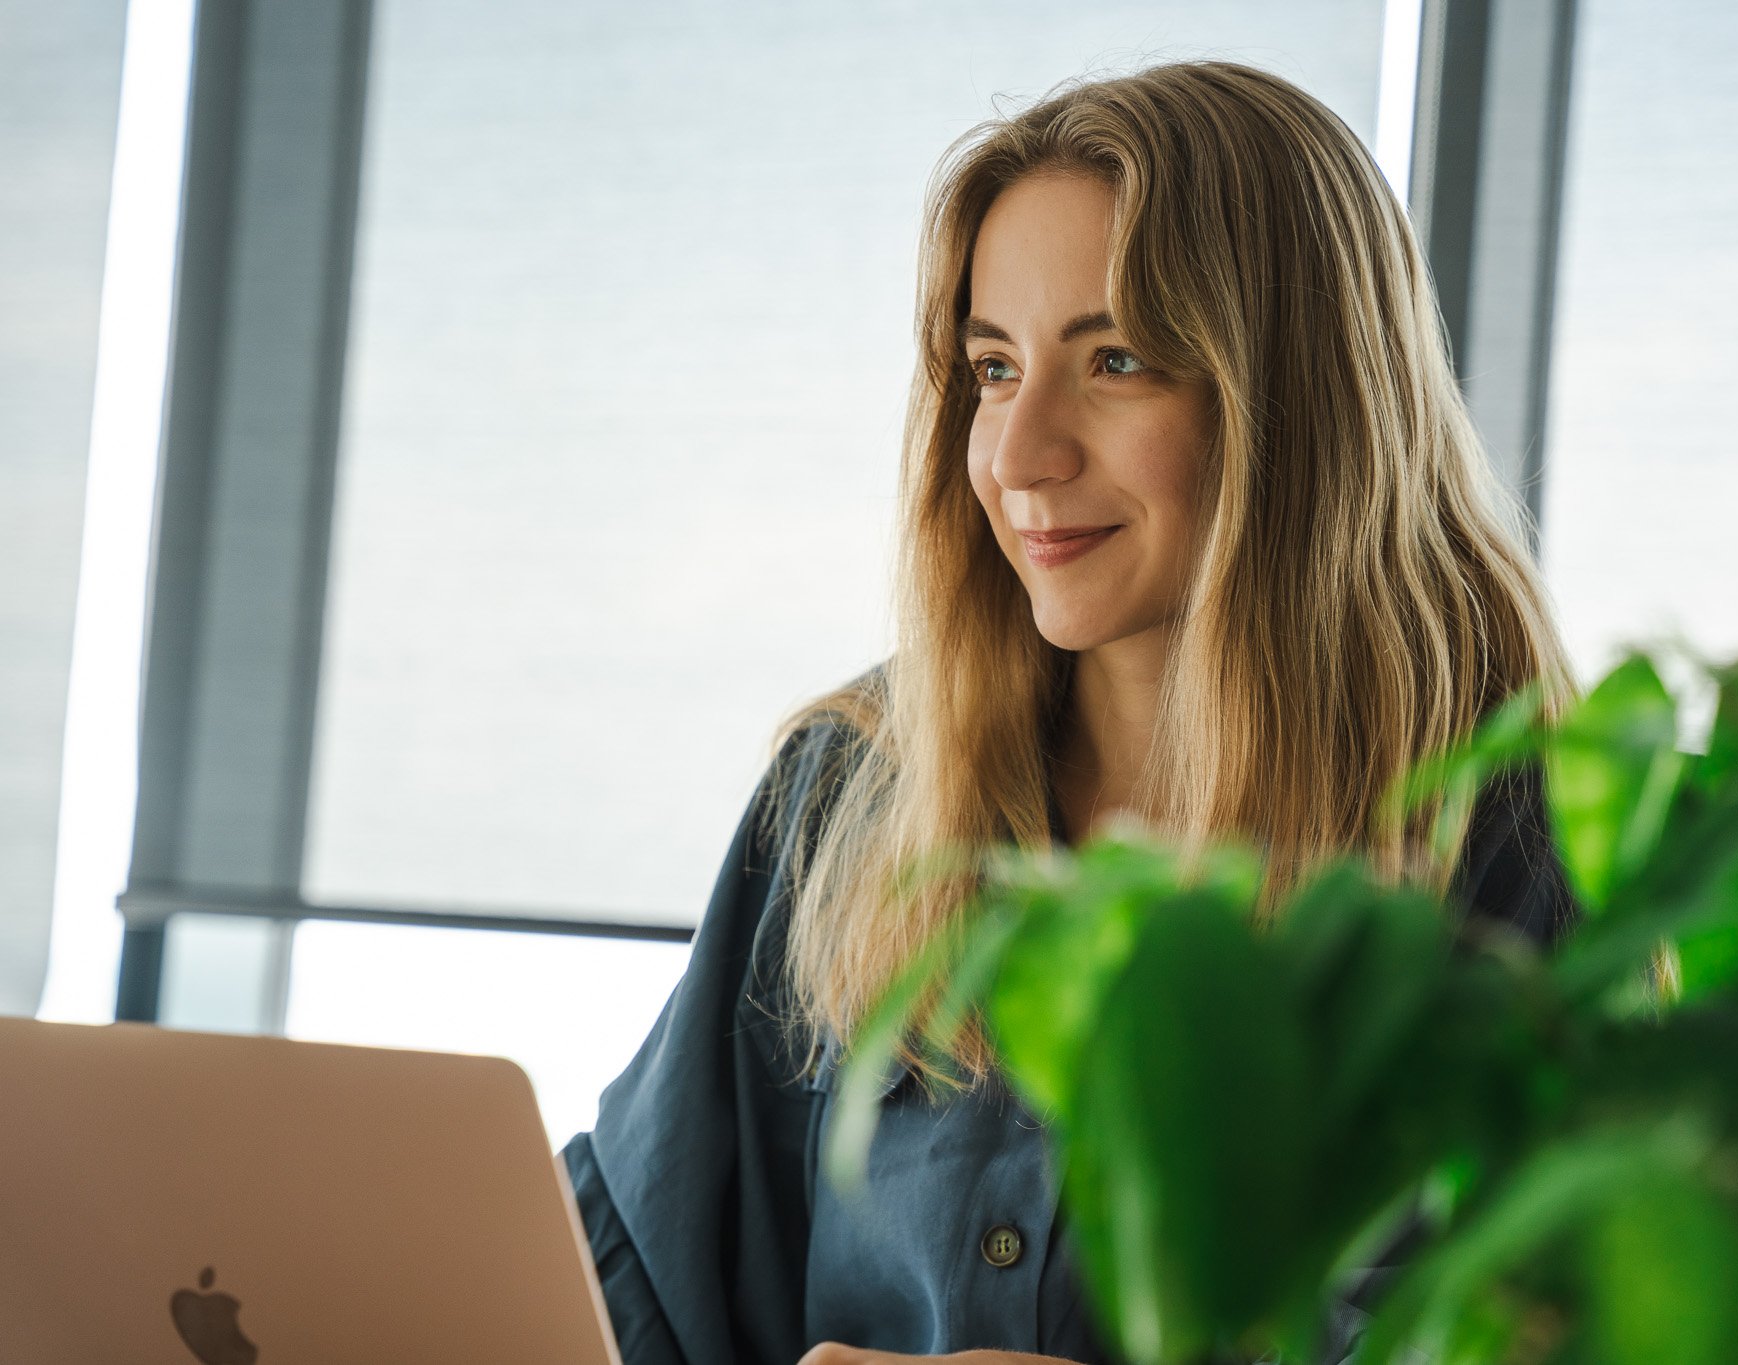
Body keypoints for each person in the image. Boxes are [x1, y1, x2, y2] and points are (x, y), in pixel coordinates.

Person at [559, 59, 1581, 1365]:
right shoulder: (852, 786)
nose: (1018, 455)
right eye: (992, 368)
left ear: (1298, 406)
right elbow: (629, 1290)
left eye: (1116, 361)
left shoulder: (1505, 838)